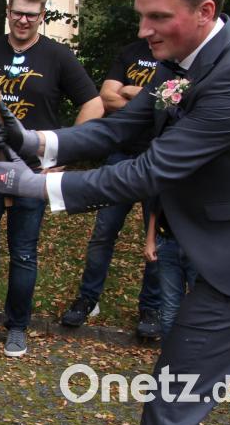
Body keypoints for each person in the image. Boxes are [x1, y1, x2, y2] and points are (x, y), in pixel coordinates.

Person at [0, 0, 230, 425]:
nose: (145, 29)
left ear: (205, 12)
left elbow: (149, 170)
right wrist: (34, 140)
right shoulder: (183, 61)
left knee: (170, 403)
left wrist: (39, 186)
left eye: (158, 16)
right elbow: (119, 128)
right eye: (143, 15)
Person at [0, 0, 104, 358]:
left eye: (32, 14)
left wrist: (59, 158)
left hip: (32, 172)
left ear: (42, 16)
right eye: (18, 13)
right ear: (8, 12)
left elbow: (93, 105)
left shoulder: (57, 56)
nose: (24, 20)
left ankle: (17, 328)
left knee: (24, 253)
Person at [59, 39, 162, 337]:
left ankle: (151, 308)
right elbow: (106, 98)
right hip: (121, 155)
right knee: (103, 233)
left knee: (155, 241)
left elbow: (177, 103)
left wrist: (131, 93)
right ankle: (88, 299)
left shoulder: (175, 59)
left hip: (158, 159)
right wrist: (152, 101)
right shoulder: (131, 51)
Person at [143, 201, 196, 339]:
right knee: (169, 311)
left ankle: (198, 358)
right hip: (167, 241)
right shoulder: (168, 179)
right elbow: (156, 203)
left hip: (199, 244)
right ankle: (169, 358)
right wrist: (150, 240)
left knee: (201, 310)